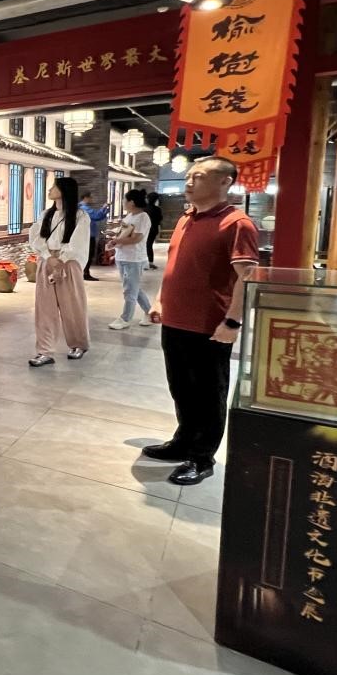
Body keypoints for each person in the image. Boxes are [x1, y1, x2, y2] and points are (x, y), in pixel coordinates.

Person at [142, 156, 259, 486]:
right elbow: (175, 267)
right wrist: (161, 300)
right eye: (189, 176)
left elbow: (246, 277)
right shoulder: (186, 218)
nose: (190, 182)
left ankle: (202, 456)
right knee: (181, 387)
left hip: (209, 326)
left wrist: (232, 322)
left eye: (200, 176)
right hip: (175, 320)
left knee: (208, 393)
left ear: (225, 182)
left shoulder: (236, 223)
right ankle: (183, 441)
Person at [28, 177, 91, 366]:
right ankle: (44, 351)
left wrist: (61, 259)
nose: (50, 189)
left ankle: (78, 344)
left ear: (64, 190)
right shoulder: (46, 214)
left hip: (68, 264)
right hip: (46, 262)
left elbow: (78, 242)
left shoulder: (80, 216)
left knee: (73, 306)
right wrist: (48, 256)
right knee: (44, 309)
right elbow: (36, 237)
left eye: (54, 186)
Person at [107, 189, 155, 331]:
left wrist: (116, 240)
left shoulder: (143, 217)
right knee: (133, 288)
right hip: (123, 256)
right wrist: (115, 236)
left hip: (133, 258)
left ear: (131, 202)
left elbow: (136, 239)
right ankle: (150, 313)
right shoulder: (130, 216)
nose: (123, 203)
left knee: (130, 291)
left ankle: (125, 318)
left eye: (124, 200)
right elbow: (124, 233)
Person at [78, 193, 110, 281]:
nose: (92, 199)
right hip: (87, 235)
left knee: (86, 254)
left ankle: (84, 273)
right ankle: (85, 274)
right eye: (91, 197)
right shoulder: (84, 208)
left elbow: (98, 217)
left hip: (84, 235)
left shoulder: (80, 207)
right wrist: (104, 208)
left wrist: (105, 210)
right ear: (86, 197)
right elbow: (96, 216)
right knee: (88, 254)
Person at [145, 191, 163, 270]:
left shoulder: (143, 209)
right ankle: (150, 262)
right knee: (149, 245)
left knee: (143, 246)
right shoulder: (157, 209)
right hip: (153, 229)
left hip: (144, 229)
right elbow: (160, 219)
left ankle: (144, 263)